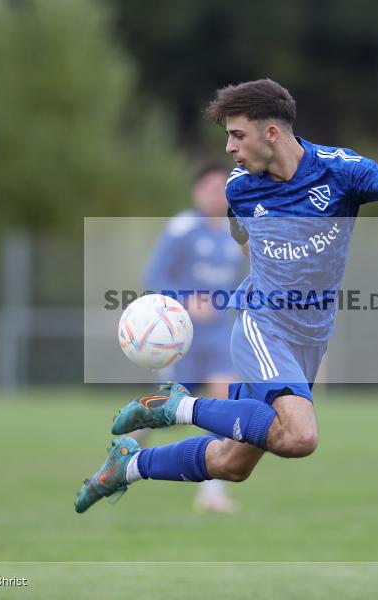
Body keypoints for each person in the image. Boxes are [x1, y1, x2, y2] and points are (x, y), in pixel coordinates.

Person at [75, 78, 378, 513]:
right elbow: (243, 240)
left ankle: (128, 466)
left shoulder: (341, 170)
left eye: (237, 135)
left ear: (271, 132)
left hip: (311, 338)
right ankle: (177, 405)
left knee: (233, 463)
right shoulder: (239, 187)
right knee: (299, 437)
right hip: (264, 325)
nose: (230, 148)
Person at [136, 163, 247, 513]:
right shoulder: (184, 227)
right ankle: (127, 444)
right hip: (180, 339)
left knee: (224, 406)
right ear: (197, 192)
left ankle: (212, 493)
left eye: (222, 187)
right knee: (164, 412)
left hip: (219, 338)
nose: (216, 193)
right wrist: (185, 299)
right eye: (210, 187)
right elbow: (154, 275)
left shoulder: (236, 234)